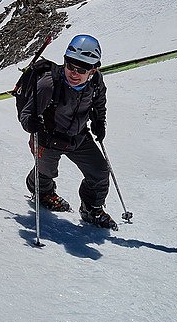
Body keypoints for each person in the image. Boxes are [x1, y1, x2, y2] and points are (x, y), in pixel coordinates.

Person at [17, 34, 114, 229]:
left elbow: (99, 103)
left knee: (101, 172)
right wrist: (31, 125)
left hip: (78, 137)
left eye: (82, 69)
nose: (74, 73)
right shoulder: (48, 84)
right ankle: (42, 191)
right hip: (48, 137)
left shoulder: (96, 83)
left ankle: (91, 208)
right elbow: (27, 113)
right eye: (70, 65)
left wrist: (99, 122)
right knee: (46, 172)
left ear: (93, 70)